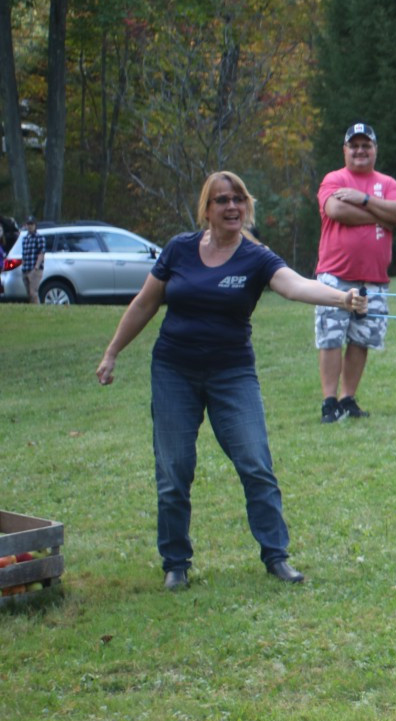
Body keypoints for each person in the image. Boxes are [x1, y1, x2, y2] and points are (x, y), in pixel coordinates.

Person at [94, 171, 369, 591]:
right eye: (222, 200)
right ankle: (176, 564)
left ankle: (276, 557)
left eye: (239, 199)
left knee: (256, 464)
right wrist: (112, 352)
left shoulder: (256, 258)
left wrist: (342, 298)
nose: (232, 207)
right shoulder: (179, 250)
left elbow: (294, 286)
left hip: (231, 373)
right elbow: (145, 302)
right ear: (207, 209)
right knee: (174, 471)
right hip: (174, 371)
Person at [313, 122, 396, 423]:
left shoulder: (387, 183)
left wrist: (363, 200)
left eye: (367, 145)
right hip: (335, 276)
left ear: (375, 149)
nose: (360, 150)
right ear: (345, 150)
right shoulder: (334, 178)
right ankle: (329, 402)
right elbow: (336, 211)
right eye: (355, 145)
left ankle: (347, 398)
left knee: (361, 339)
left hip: (374, 279)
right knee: (331, 337)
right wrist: (380, 215)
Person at [19, 216, 44, 304]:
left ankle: (38, 310)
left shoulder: (39, 237)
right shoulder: (25, 239)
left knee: (33, 292)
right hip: (25, 269)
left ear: (35, 225)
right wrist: (22, 266)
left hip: (35, 270)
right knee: (29, 294)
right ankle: (32, 310)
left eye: (31, 224)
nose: (30, 226)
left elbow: (41, 253)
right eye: (28, 224)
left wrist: (36, 268)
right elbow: (24, 254)